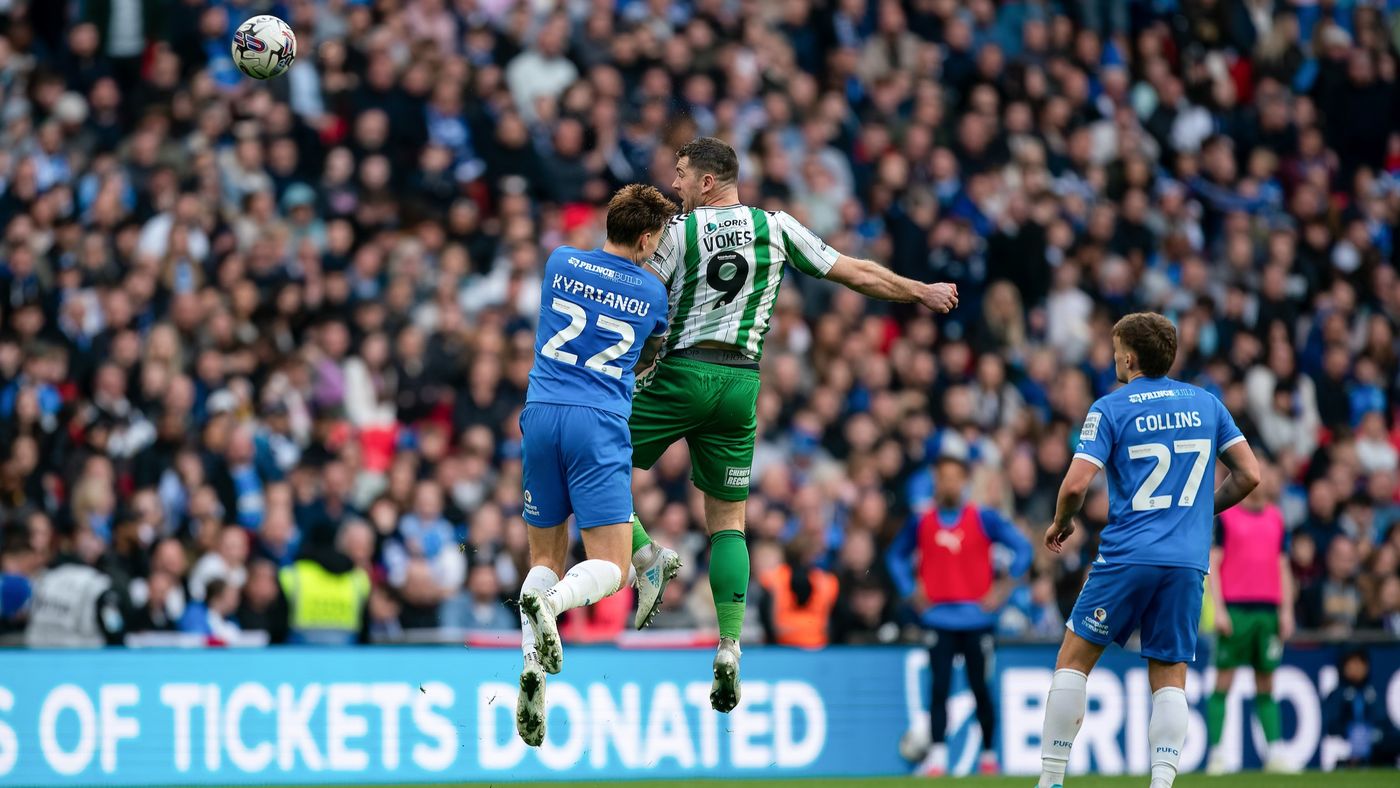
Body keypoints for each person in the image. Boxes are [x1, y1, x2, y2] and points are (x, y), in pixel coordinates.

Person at [626, 136, 959, 712]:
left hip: (682, 372)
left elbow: (645, 302)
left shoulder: (678, 231)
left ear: (707, 181)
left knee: (591, 455)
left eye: (681, 174)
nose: (674, 184)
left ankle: (646, 557)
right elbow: (854, 272)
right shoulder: (776, 227)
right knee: (728, 522)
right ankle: (730, 644)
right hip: (741, 385)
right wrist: (919, 291)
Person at [1035, 312, 1261, 788]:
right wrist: (1200, 511)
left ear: (1129, 358)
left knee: (1073, 661)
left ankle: (1051, 781)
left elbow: (1075, 485)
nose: (1113, 356)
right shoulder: (1207, 404)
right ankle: (1161, 784)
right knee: (1169, 676)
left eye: (1116, 349)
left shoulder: (1110, 408)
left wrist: (1062, 521)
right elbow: (1249, 474)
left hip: (1127, 556)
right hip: (1186, 562)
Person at [514, 184, 675, 747]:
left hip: (540, 412)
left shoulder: (561, 260)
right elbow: (650, 354)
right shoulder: (652, 290)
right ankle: (552, 603)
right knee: (613, 563)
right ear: (648, 238)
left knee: (544, 556)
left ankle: (531, 666)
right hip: (597, 422)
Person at [886, 445, 1032, 777]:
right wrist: (910, 591)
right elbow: (895, 557)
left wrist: (1003, 589)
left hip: (977, 620)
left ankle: (989, 755)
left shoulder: (983, 518)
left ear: (964, 481)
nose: (949, 484)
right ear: (936, 482)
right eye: (943, 478)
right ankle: (938, 756)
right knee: (939, 687)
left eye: (955, 478)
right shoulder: (922, 522)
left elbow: (1022, 548)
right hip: (938, 618)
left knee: (981, 688)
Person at [1205, 462, 1297, 774]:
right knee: (1224, 680)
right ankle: (1217, 753)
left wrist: (1286, 610)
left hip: (1268, 610)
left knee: (1267, 681)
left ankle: (1275, 752)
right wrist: (1219, 609)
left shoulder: (1277, 517)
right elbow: (1214, 563)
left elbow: (1283, 566)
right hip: (1236, 609)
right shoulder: (1226, 517)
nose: (1266, 479)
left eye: (1269, 473)